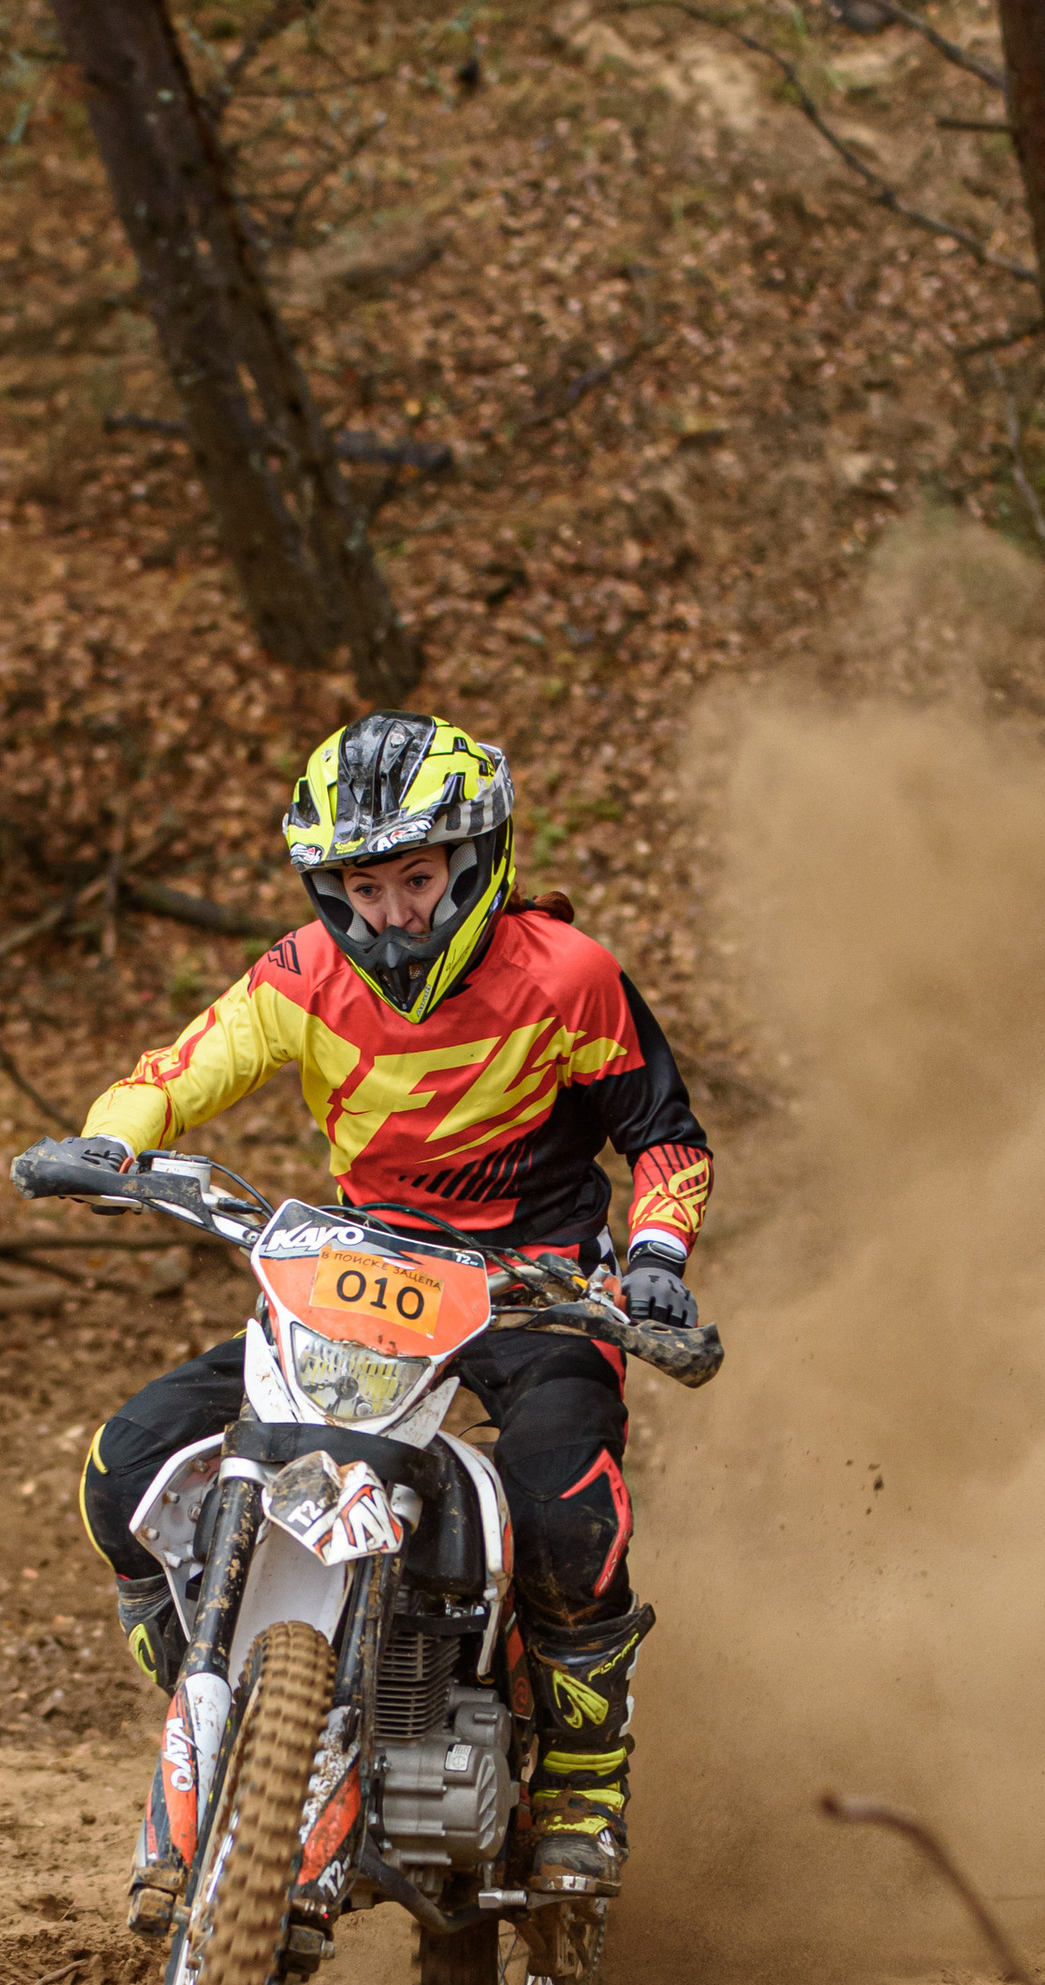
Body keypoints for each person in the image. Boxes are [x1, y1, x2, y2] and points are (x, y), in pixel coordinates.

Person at [71, 710, 712, 1906]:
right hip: (359, 1273)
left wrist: (658, 1257)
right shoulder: (301, 977)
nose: (395, 914)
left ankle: (582, 1777)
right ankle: (221, 1693)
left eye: (419, 879)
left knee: (568, 1517)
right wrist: (111, 1145)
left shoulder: (568, 978)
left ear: (475, 865)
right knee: (127, 1466)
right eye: (365, 887)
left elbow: (664, 1141)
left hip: (542, 1285)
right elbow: (178, 1072)